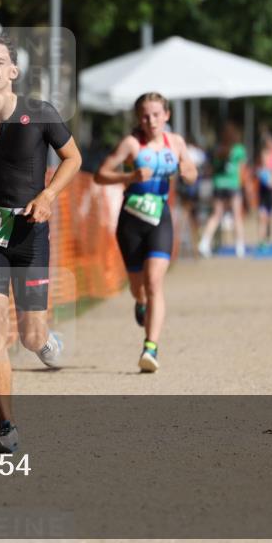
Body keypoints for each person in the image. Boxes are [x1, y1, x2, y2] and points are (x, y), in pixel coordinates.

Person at [0, 32, 81, 453]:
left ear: (13, 71)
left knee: (28, 334)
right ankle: (6, 426)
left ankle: (44, 341)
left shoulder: (40, 113)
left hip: (29, 231)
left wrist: (47, 195)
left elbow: (73, 158)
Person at [94, 93, 198, 372]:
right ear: (138, 119)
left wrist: (186, 170)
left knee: (154, 283)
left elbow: (191, 172)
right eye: (144, 115)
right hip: (131, 220)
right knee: (138, 288)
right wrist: (129, 177)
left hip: (159, 217)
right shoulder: (131, 144)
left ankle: (150, 347)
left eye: (156, 114)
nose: (150, 120)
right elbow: (100, 174)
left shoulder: (174, 142)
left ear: (166, 115)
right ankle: (140, 303)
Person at [198, 122, 247, 258]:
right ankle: (239, 246)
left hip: (218, 184)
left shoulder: (217, 149)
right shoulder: (239, 149)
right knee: (237, 216)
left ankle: (204, 242)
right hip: (233, 185)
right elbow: (241, 170)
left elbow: (211, 168)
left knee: (216, 215)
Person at [177, 136, 207, 259]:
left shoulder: (181, 150)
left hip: (185, 189)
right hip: (193, 190)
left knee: (185, 215)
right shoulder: (197, 152)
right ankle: (194, 248)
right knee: (193, 218)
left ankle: (181, 245)